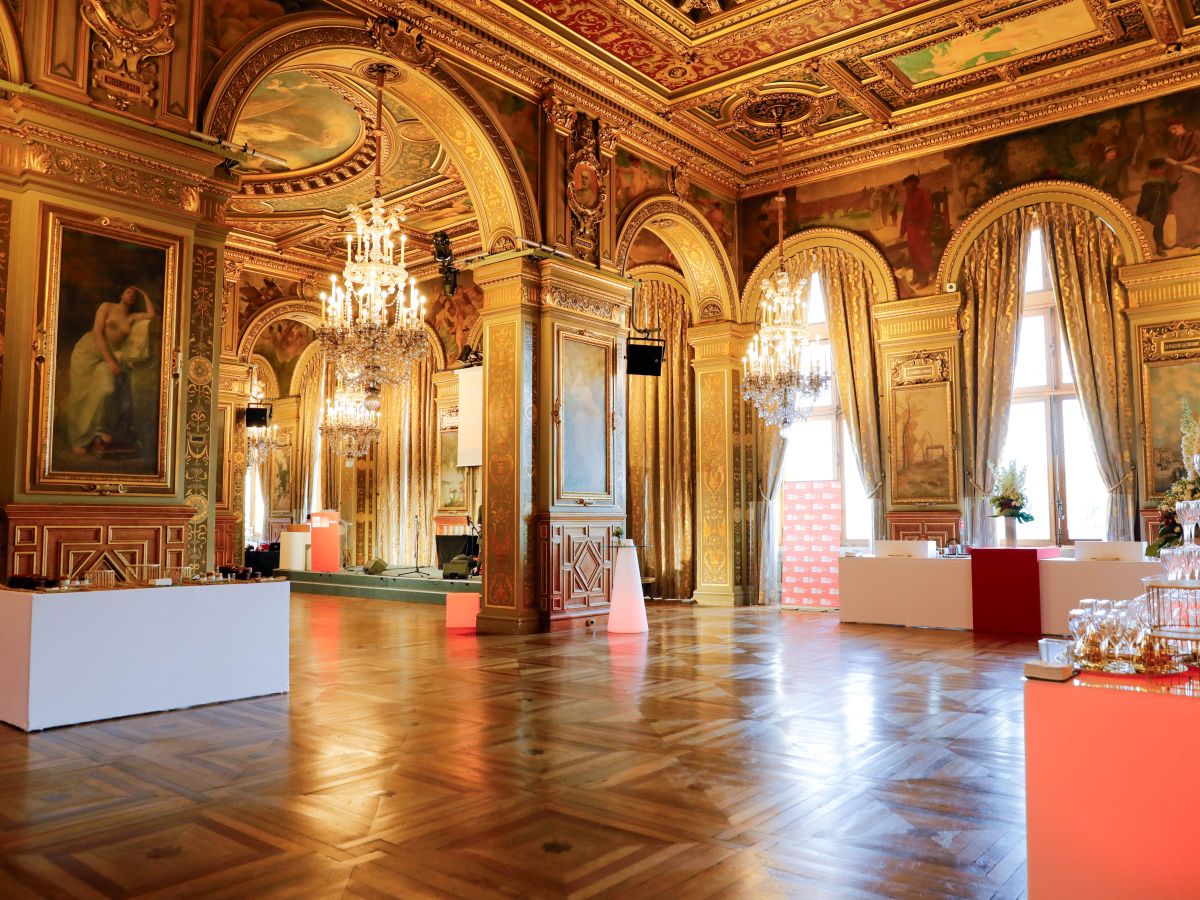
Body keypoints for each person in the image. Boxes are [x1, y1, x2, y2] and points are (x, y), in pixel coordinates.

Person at [66, 286, 157, 456]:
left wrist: (144, 293)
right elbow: (98, 332)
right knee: (81, 394)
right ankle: (78, 439)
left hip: (108, 356)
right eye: (129, 292)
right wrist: (110, 361)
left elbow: (152, 315)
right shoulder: (106, 307)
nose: (131, 295)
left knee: (107, 390)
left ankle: (99, 430)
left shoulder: (131, 318)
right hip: (88, 351)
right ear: (121, 294)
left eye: (135, 294)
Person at [1166, 118, 1200, 249]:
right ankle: (1184, 239)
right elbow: (1172, 159)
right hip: (1181, 175)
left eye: (1174, 128)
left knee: (1194, 206)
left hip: (1194, 173)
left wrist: (1184, 162)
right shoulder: (1174, 142)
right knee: (1180, 206)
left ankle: (1197, 239)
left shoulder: (1195, 135)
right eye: (1170, 130)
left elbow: (1198, 154)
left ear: (1181, 124)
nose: (1173, 132)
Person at [900, 174, 935, 288]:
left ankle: (924, 280)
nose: (906, 188)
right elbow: (905, 216)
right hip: (911, 230)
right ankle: (918, 276)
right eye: (905, 186)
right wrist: (902, 232)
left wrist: (925, 228)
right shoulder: (908, 199)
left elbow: (928, 211)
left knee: (922, 254)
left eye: (908, 184)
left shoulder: (922, 193)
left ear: (914, 183)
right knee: (913, 255)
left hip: (920, 228)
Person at [1137, 158, 1176, 256]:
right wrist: (1143, 212)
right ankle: (1159, 247)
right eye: (1160, 169)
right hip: (1154, 209)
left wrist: (1176, 184)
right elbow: (1144, 199)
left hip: (1163, 207)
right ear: (1152, 170)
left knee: (1160, 226)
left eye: (1163, 168)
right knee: (1158, 227)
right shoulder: (1149, 184)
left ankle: (1161, 243)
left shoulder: (1164, 180)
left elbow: (1169, 190)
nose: (1162, 171)